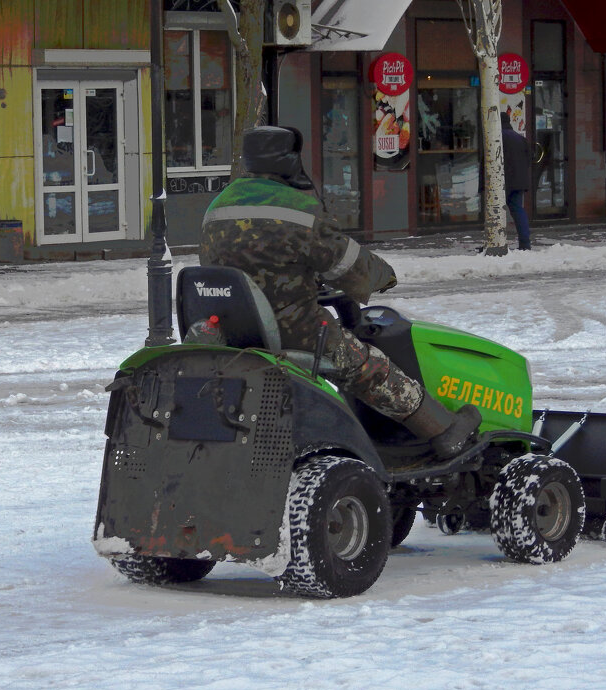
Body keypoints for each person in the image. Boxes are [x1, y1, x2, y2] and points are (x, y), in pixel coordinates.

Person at [199, 125, 480, 459]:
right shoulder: (296, 209)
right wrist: (384, 276)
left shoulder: (218, 205)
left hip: (234, 329)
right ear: (289, 160)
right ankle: (443, 431)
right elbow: (351, 267)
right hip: (294, 332)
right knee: (369, 367)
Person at [500, 111, 532, 251]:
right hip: (519, 181)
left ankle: (495, 242)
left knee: (495, 211)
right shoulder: (519, 138)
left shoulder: (496, 137)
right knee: (518, 210)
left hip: (501, 181)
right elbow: (529, 158)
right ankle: (525, 243)